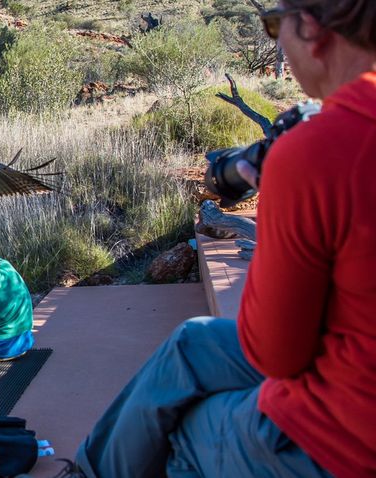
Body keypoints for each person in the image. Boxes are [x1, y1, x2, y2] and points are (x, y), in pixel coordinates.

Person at [74, 1, 376, 477]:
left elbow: (274, 352)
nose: (277, 38)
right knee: (196, 340)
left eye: (274, 24)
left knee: (187, 432)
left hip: (344, 438)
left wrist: (283, 187)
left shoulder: (320, 152)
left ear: (312, 30)